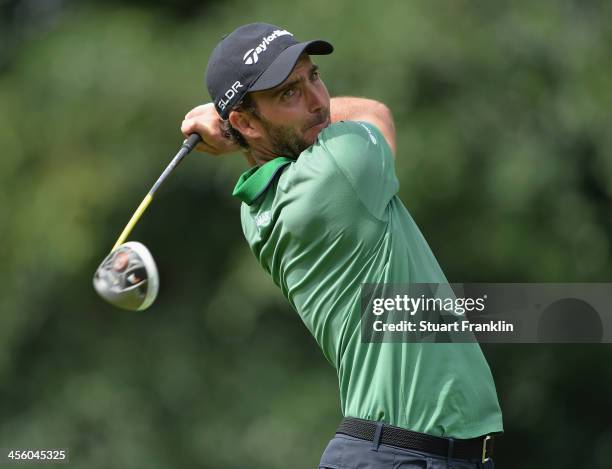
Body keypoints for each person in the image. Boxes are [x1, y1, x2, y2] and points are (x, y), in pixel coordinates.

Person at [181, 23, 503, 469]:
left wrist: (235, 134)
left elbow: (289, 140)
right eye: (289, 94)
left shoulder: (255, 207)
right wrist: (226, 127)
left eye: (314, 76)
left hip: (403, 452)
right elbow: (375, 112)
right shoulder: (339, 168)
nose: (318, 101)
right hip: (403, 455)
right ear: (245, 121)